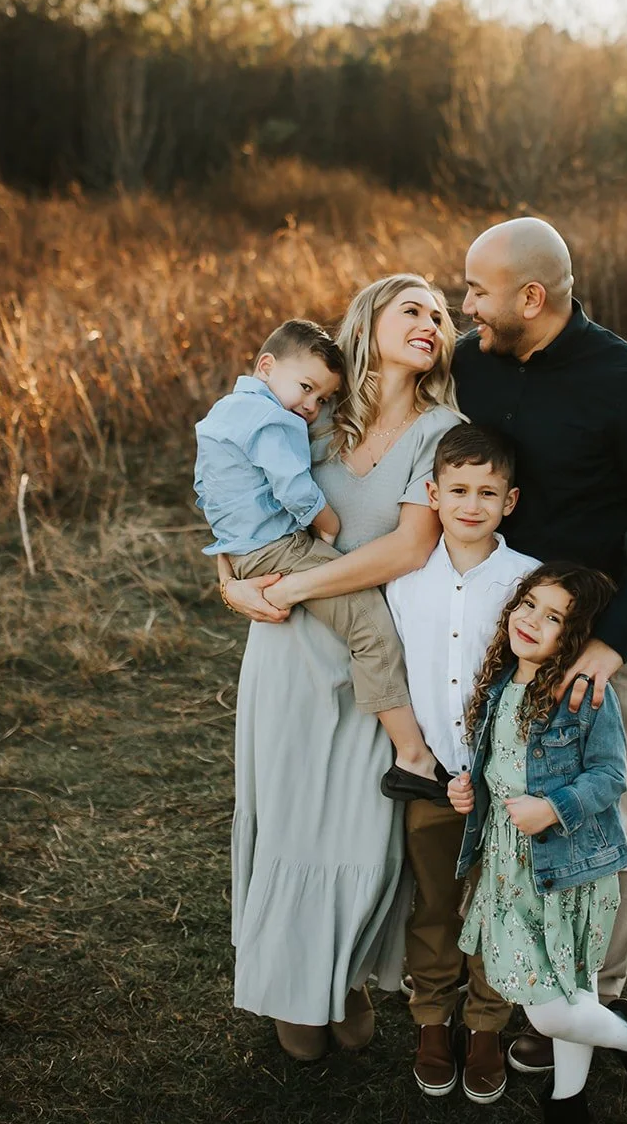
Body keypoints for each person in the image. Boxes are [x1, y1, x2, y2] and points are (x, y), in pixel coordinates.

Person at [453, 217, 627, 1072]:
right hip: (495, 635)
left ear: (533, 295)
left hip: (593, 644)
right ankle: (518, 977)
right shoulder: (469, 362)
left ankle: (590, 997)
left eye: (477, 291)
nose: (465, 306)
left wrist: (610, 645)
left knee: (605, 820)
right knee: (500, 804)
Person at [217, 275, 462, 1063]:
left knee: (361, 830)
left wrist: (296, 583)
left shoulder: (443, 429)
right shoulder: (309, 413)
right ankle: (289, 983)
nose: (430, 322)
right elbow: (236, 500)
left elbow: (409, 548)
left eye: (441, 316)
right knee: (288, 818)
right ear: (370, 322)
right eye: (413, 309)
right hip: (287, 650)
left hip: (376, 658)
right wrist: (229, 582)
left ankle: (347, 977)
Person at [449, 564, 627, 1122]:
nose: (530, 621)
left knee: (554, 1011)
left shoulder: (582, 695)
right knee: (568, 997)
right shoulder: (501, 682)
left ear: (572, 638)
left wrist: (552, 807)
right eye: (528, 604)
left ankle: (622, 1037)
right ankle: (571, 1098)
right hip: (508, 865)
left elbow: (608, 777)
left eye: (553, 619)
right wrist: (468, 789)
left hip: (567, 866)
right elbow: (499, 763)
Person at [196, 316, 445, 800]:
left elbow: (214, 491)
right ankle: (413, 757)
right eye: (408, 312)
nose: (312, 406)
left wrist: (234, 563)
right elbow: (291, 487)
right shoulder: (285, 418)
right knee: (370, 623)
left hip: (264, 563)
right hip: (283, 573)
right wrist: (324, 529)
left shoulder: (234, 411)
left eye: (322, 398)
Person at [386, 422, 540, 1103]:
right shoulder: (404, 579)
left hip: (502, 783)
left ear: (509, 501)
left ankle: (484, 1025)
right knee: (435, 903)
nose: (470, 504)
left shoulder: (529, 580)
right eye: (457, 490)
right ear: (432, 493)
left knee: (499, 904)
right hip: (429, 775)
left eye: (486, 491)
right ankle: (430, 1019)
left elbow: (534, 684)